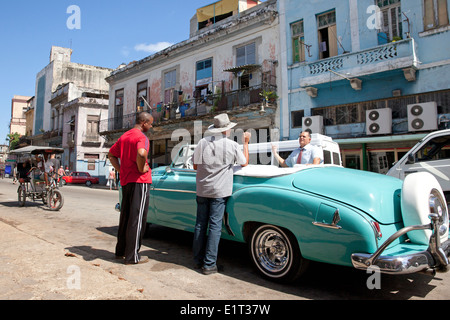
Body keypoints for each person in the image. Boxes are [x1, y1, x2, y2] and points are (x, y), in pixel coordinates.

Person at [192, 113, 251, 275]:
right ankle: (209, 264)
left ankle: (198, 260)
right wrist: (246, 143)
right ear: (226, 130)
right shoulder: (231, 145)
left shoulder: (202, 143)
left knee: (200, 224)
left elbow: (195, 166)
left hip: (202, 189)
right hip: (219, 192)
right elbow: (244, 162)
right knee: (215, 227)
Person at [108, 112, 154, 265]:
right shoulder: (142, 137)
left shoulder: (124, 136)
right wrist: (141, 168)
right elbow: (141, 154)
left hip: (126, 181)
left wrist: (121, 170)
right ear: (144, 122)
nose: (151, 126)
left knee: (126, 217)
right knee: (137, 219)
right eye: (150, 123)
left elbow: (111, 155)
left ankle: (120, 251)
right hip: (140, 181)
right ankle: (132, 256)